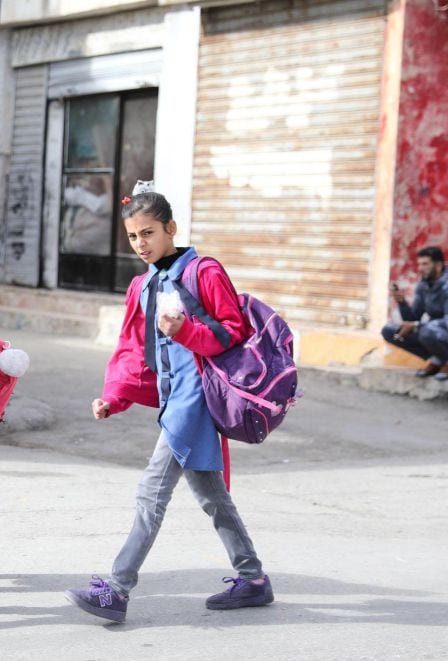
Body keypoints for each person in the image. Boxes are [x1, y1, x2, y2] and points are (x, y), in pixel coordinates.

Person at [64, 190, 273, 624]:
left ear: (171, 229)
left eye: (149, 233)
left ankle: (117, 589)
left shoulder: (203, 271)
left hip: (196, 399)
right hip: (174, 398)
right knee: (212, 496)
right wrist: (115, 397)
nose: (141, 243)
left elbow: (232, 330)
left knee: (151, 493)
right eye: (133, 236)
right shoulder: (143, 285)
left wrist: (186, 330)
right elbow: (133, 350)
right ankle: (253, 579)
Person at [381, 246, 448, 380]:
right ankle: (437, 359)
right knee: (390, 331)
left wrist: (416, 325)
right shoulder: (424, 285)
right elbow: (412, 318)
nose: (420, 268)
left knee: (426, 331)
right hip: (434, 334)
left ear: (438, 265)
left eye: (425, 264)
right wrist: (402, 303)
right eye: (419, 264)